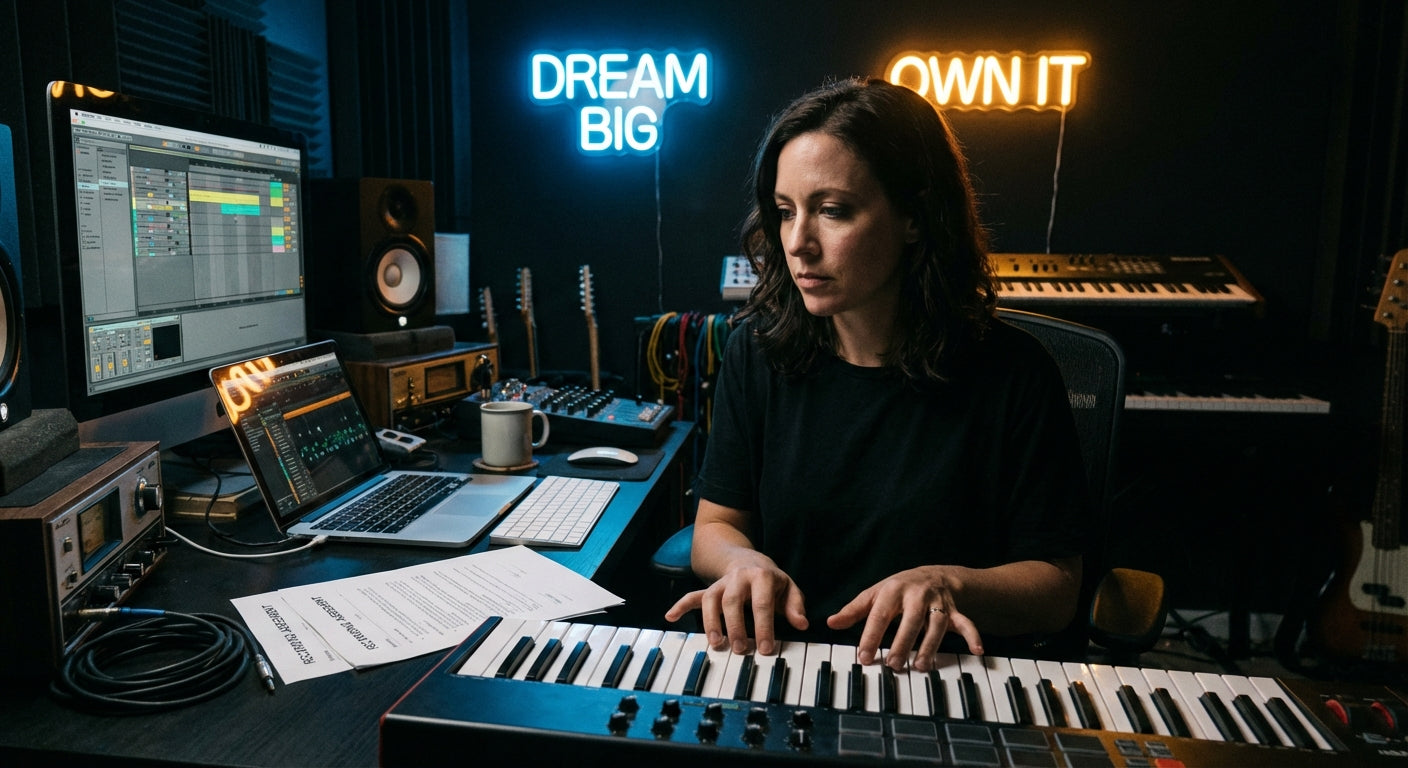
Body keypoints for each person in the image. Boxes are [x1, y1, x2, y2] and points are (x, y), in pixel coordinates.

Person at [663, 77, 1092, 673]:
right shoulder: (756, 351)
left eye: (832, 211)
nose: (798, 244)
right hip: (787, 662)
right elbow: (716, 524)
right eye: (785, 213)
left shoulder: (1015, 374)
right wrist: (742, 564)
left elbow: (1057, 588)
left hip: (944, 675)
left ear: (914, 218)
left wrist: (951, 584)